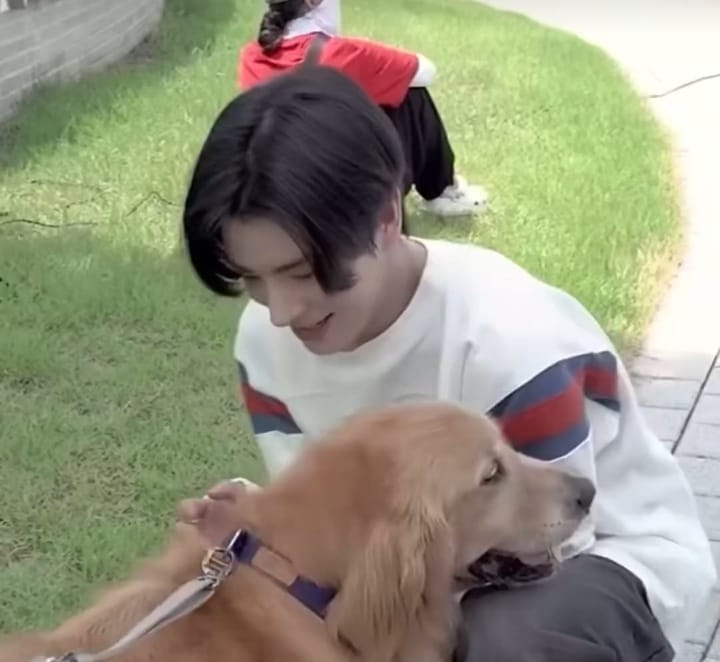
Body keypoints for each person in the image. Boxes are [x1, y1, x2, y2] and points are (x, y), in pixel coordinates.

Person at [180, 63, 716, 661]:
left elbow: (552, 536)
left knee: (501, 635)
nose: (281, 311)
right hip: (448, 562)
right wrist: (259, 526)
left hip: (595, 555)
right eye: (253, 278)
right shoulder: (263, 342)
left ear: (386, 217)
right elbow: (343, 535)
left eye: (303, 272)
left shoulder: (510, 343)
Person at [236, 0, 487, 218]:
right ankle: (442, 191)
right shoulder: (341, 53)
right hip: (346, 204)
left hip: (283, 198)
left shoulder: (251, 57)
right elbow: (427, 71)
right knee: (410, 92)